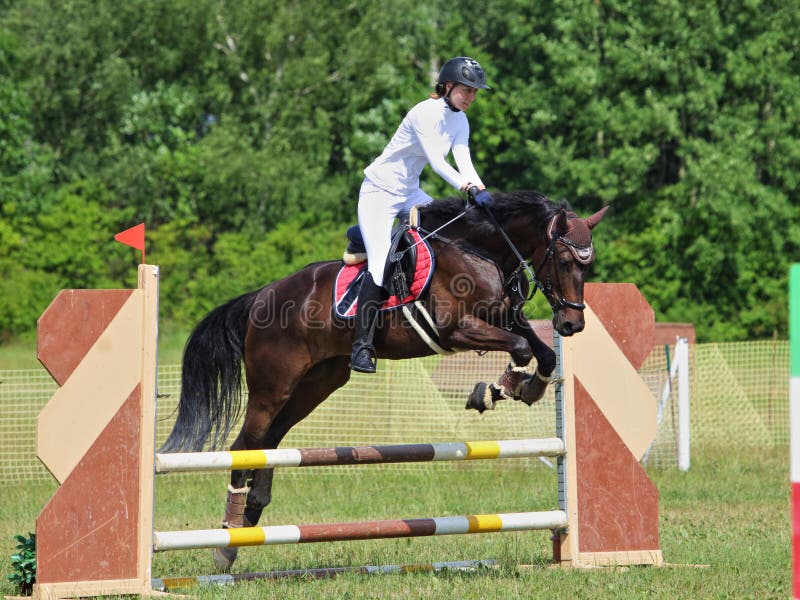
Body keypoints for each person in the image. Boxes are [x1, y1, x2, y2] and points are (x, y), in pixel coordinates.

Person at [350, 56, 494, 374]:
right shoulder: (424, 113)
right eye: (466, 90)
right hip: (378, 193)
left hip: (409, 193)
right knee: (378, 263)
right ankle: (362, 346)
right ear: (447, 86)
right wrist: (468, 188)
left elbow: (463, 159)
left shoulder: (460, 121)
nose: (471, 97)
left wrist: (482, 190)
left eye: (475, 92)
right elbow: (439, 163)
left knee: (447, 230)